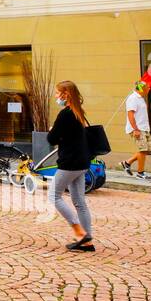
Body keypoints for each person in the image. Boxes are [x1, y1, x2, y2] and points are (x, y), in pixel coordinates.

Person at [48, 80, 95, 252]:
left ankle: (79, 232)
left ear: (65, 94)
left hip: (69, 163)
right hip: (82, 162)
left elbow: (51, 139)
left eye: (57, 93)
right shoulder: (78, 112)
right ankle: (87, 242)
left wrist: (53, 129)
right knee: (79, 202)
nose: (55, 96)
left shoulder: (65, 114)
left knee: (54, 196)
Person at [120, 79, 151, 180]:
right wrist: (135, 129)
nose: (149, 89)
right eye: (148, 88)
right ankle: (140, 173)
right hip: (138, 129)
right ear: (141, 88)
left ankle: (127, 163)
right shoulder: (133, 98)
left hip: (144, 128)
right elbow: (130, 115)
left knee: (147, 150)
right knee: (143, 150)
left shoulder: (141, 98)